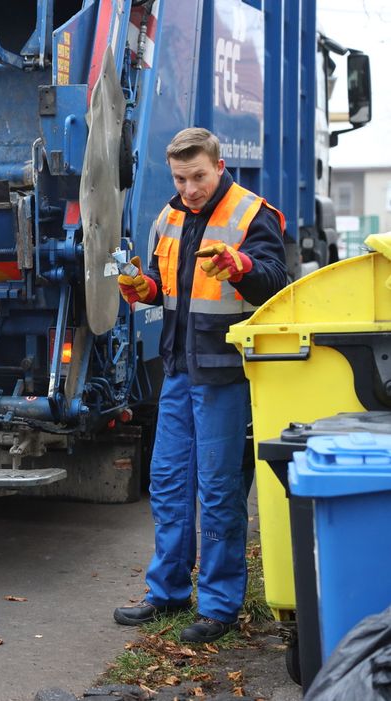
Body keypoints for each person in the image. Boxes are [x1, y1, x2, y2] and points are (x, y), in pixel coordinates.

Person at [113, 128, 287, 643]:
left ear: (219, 165)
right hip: (178, 373)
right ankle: (167, 592)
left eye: (198, 177)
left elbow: (277, 281)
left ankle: (218, 605)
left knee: (218, 492)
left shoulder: (253, 214)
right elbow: (165, 294)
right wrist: (139, 288)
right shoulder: (168, 217)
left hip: (225, 376)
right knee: (167, 486)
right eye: (180, 178)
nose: (189, 188)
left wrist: (243, 267)